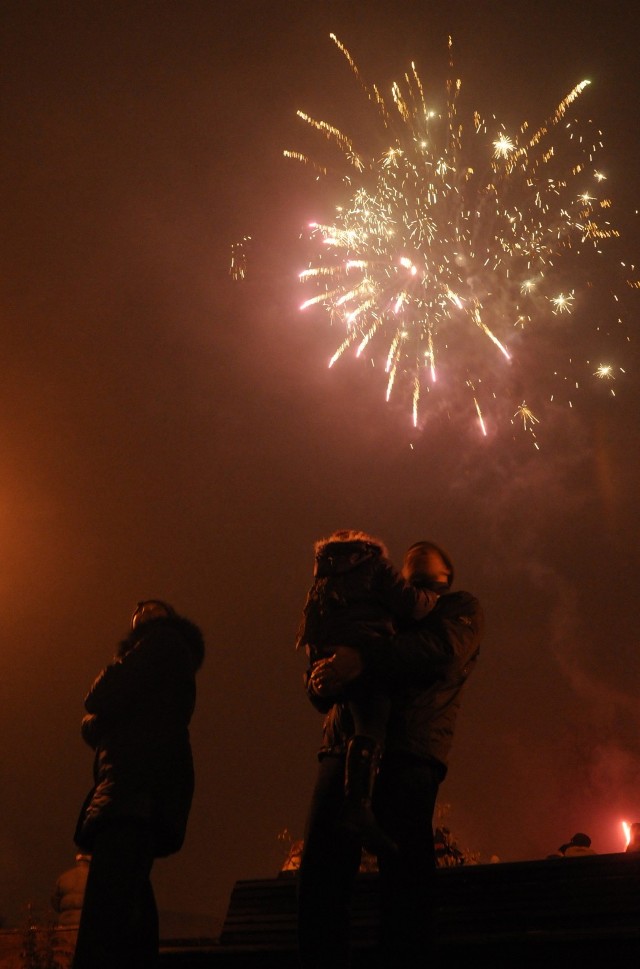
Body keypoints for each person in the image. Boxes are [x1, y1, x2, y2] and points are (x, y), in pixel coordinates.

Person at [297, 540, 483, 969]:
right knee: (320, 877)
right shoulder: (381, 607)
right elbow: (326, 671)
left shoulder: (458, 607)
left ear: (446, 574)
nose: (416, 551)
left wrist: (359, 659)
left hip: (408, 750)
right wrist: (319, 682)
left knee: (404, 878)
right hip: (340, 750)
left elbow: (440, 651)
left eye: (428, 554)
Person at [71, 599, 205, 969]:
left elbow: (97, 699)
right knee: (132, 901)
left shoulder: (160, 642)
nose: (142, 611)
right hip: (141, 790)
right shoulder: (166, 662)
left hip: (133, 789)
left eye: (150, 608)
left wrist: (99, 718)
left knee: (107, 907)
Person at [296, 529, 438, 851]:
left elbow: (311, 625)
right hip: (366, 654)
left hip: (332, 663)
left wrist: (321, 667)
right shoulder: (377, 565)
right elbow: (411, 604)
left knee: (359, 719)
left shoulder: (321, 580)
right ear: (365, 547)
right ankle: (358, 805)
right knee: (373, 722)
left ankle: (356, 808)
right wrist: (431, 597)